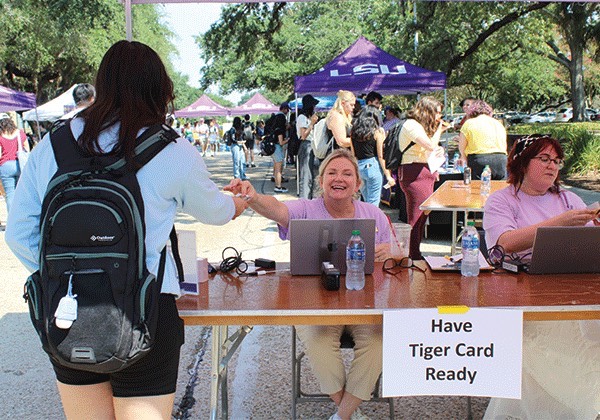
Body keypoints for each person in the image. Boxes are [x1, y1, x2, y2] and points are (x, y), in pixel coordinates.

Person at [4, 40, 247, 420]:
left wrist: (62, 277)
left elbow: (19, 234)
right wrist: (238, 203)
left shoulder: (52, 145)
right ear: (159, 88)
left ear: (103, 83)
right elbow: (215, 212)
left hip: (67, 311)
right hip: (146, 311)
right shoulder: (171, 148)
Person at [224, 148, 391, 420]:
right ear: (321, 179)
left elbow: (398, 257)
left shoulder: (374, 214)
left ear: (358, 184)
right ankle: (349, 412)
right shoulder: (306, 208)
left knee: (377, 343)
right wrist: (252, 197)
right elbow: (277, 209)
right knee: (318, 342)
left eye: (347, 173)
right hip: (314, 304)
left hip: (364, 302)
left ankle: (342, 415)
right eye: (332, 173)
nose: (339, 178)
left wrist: (392, 253)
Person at [482, 134, 600, 419]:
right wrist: (558, 223)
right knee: (553, 333)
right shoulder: (502, 200)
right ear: (522, 163)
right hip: (523, 287)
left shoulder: (568, 198)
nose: (552, 167)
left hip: (572, 284)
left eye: (557, 161)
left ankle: (582, 405)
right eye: (544, 159)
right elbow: (503, 243)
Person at [397, 96, 449, 260]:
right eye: (437, 113)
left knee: (423, 214)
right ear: (428, 111)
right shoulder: (411, 125)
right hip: (414, 173)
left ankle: (415, 252)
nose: (439, 117)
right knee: (416, 216)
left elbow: (429, 151)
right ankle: (412, 255)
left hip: (424, 171)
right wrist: (439, 130)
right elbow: (430, 146)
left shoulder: (419, 126)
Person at [350, 105, 394, 207]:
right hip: (372, 166)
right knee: (373, 203)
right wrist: (388, 175)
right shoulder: (377, 132)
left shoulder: (353, 132)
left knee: (366, 201)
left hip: (359, 167)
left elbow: (353, 155)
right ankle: (373, 222)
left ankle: (365, 221)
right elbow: (380, 156)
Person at [456, 99, 507, 180]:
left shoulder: (469, 123)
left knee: (479, 190)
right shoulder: (498, 123)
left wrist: (464, 158)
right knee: (498, 189)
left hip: (479, 160)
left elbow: (461, 146)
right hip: (501, 159)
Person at [0, 113, 29, 215]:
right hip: (19, 164)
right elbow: (27, 147)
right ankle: (22, 215)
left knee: (9, 194)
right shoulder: (19, 133)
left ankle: (12, 217)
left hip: (5, 165)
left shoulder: (1, 134)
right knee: (20, 192)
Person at [296, 94, 320, 199]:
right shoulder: (302, 118)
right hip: (306, 146)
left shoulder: (308, 118)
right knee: (306, 176)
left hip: (312, 146)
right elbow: (303, 136)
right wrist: (312, 123)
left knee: (311, 176)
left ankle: (309, 200)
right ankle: (304, 201)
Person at [272, 102, 290, 193]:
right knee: (278, 169)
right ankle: (278, 186)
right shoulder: (280, 130)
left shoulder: (275, 123)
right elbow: (281, 142)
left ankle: (277, 185)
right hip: (277, 147)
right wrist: (288, 140)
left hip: (274, 148)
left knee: (276, 167)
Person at [229, 116, 247, 180]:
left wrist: (242, 143)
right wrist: (241, 142)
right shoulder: (233, 129)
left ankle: (242, 174)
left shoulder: (240, 128)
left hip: (240, 145)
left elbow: (243, 137)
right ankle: (237, 175)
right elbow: (233, 139)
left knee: (242, 161)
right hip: (235, 146)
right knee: (236, 161)